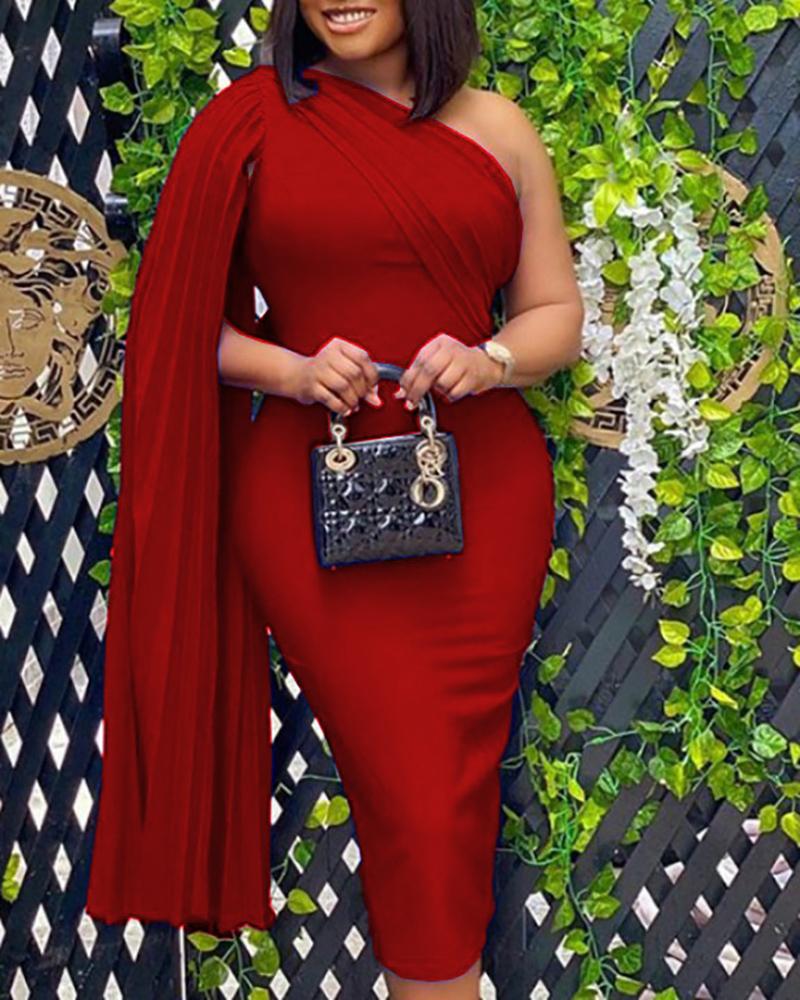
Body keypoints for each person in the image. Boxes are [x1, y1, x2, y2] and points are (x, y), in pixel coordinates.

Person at [85, 1, 584, 996]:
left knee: (446, 796)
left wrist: (489, 358)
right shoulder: (244, 127)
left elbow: (555, 314)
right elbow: (174, 327)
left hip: (480, 501)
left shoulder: (499, 128)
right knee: (410, 795)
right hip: (312, 507)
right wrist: (293, 370)